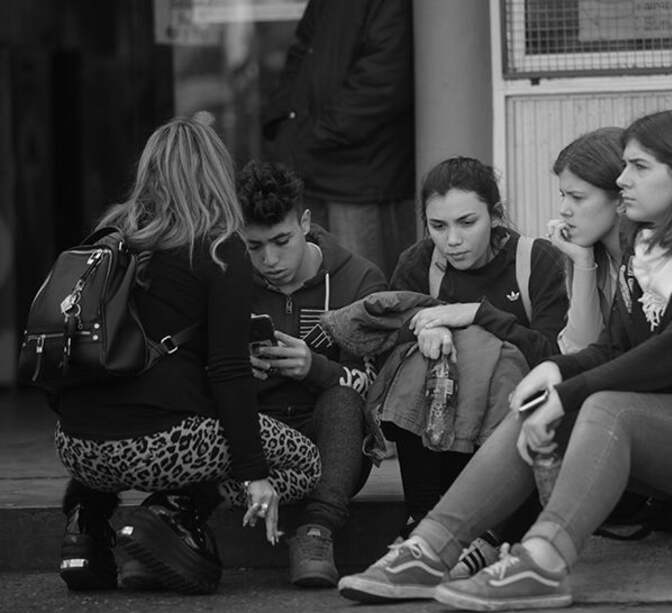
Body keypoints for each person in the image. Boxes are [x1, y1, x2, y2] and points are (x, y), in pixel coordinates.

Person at [337, 110, 672, 610]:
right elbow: (613, 348)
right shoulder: (647, 245)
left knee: (607, 405)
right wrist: (555, 373)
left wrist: (567, 391)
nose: (623, 179)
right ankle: (428, 549)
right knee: (540, 402)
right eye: (624, 166)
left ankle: (542, 561)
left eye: (638, 166)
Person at [53, 118, 320, 595]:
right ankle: (174, 512)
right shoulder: (219, 248)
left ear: (149, 171)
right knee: (305, 464)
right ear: (215, 171)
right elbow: (229, 372)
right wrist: (255, 477)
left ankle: (85, 523)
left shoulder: (110, 232)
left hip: (74, 446)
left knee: (131, 411)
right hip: (159, 445)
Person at [382, 155, 568, 565]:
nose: (452, 240)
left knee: (502, 359)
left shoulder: (536, 260)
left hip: (513, 439)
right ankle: (421, 520)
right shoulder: (419, 263)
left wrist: (477, 314)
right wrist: (423, 331)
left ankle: (493, 534)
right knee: (419, 359)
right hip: (439, 439)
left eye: (467, 223)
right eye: (438, 226)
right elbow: (387, 353)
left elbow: (553, 355)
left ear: (495, 215)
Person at [237, 160, 388, 588]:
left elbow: (374, 387)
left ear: (304, 222)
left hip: (331, 445)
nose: (269, 259)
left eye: (281, 241)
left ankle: (317, 533)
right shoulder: (228, 278)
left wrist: (315, 368)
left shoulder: (359, 278)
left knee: (344, 399)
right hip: (255, 439)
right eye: (254, 246)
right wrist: (233, 369)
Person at [262, 0, 416, 278]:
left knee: (360, 289)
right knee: (321, 287)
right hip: (318, 163)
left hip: (362, 176)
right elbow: (302, 52)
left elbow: (384, 79)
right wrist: (286, 125)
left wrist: (314, 134)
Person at [546, 127, 630, 354]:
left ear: (621, 199)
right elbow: (580, 349)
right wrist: (583, 262)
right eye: (563, 195)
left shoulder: (650, 260)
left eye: (577, 197)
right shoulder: (593, 256)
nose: (564, 210)